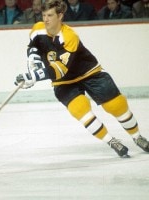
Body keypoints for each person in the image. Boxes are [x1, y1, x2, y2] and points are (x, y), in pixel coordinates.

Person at [15, 0, 149, 157]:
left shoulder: (70, 36)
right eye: (44, 15)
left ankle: (137, 137)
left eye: (50, 15)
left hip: (89, 73)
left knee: (116, 105)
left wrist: (34, 76)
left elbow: (60, 69)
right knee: (80, 109)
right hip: (64, 83)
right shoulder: (38, 29)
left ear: (60, 16)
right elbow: (33, 47)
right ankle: (111, 141)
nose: (45, 19)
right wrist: (33, 65)